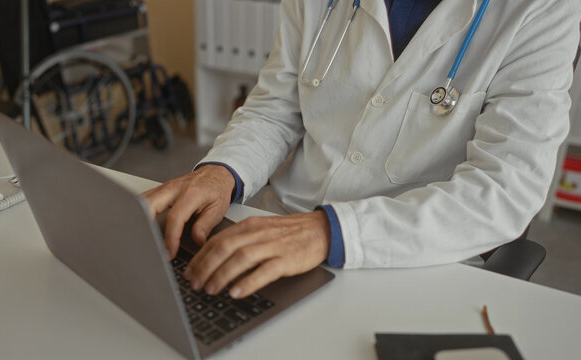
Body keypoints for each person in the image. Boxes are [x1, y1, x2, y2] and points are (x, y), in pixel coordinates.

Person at [142, 0, 581, 300]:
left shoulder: (543, 8)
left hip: (415, 261)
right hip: (282, 227)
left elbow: (505, 189)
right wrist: (221, 170)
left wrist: (332, 232)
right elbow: (277, 106)